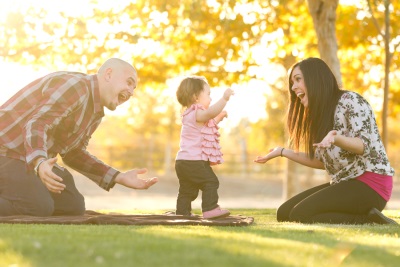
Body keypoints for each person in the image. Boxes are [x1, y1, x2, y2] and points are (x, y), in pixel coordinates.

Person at [0, 58, 158, 216]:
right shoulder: (76, 87)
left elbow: (73, 153)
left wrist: (119, 177)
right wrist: (40, 162)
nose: (131, 92)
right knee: (37, 206)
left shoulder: (95, 113)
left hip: (31, 159)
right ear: (108, 74)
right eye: (129, 83)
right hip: (6, 152)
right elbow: (37, 123)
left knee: (73, 207)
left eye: (134, 88)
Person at [254, 57, 398, 225]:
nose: (293, 88)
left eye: (298, 79)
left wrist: (336, 138)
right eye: (292, 82)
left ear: (315, 78)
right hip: (347, 182)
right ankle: (366, 217)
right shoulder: (321, 115)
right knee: (284, 213)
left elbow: (364, 146)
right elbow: (321, 161)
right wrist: (282, 152)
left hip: (371, 183)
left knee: (301, 213)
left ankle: (368, 220)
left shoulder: (350, 101)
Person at [175, 76, 234, 219]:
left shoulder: (190, 115)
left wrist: (219, 116)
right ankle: (210, 209)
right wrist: (224, 99)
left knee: (187, 190)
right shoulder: (196, 112)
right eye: (208, 94)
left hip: (183, 162)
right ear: (196, 97)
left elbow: (209, 122)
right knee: (211, 181)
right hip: (194, 162)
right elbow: (209, 114)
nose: (211, 98)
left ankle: (182, 213)